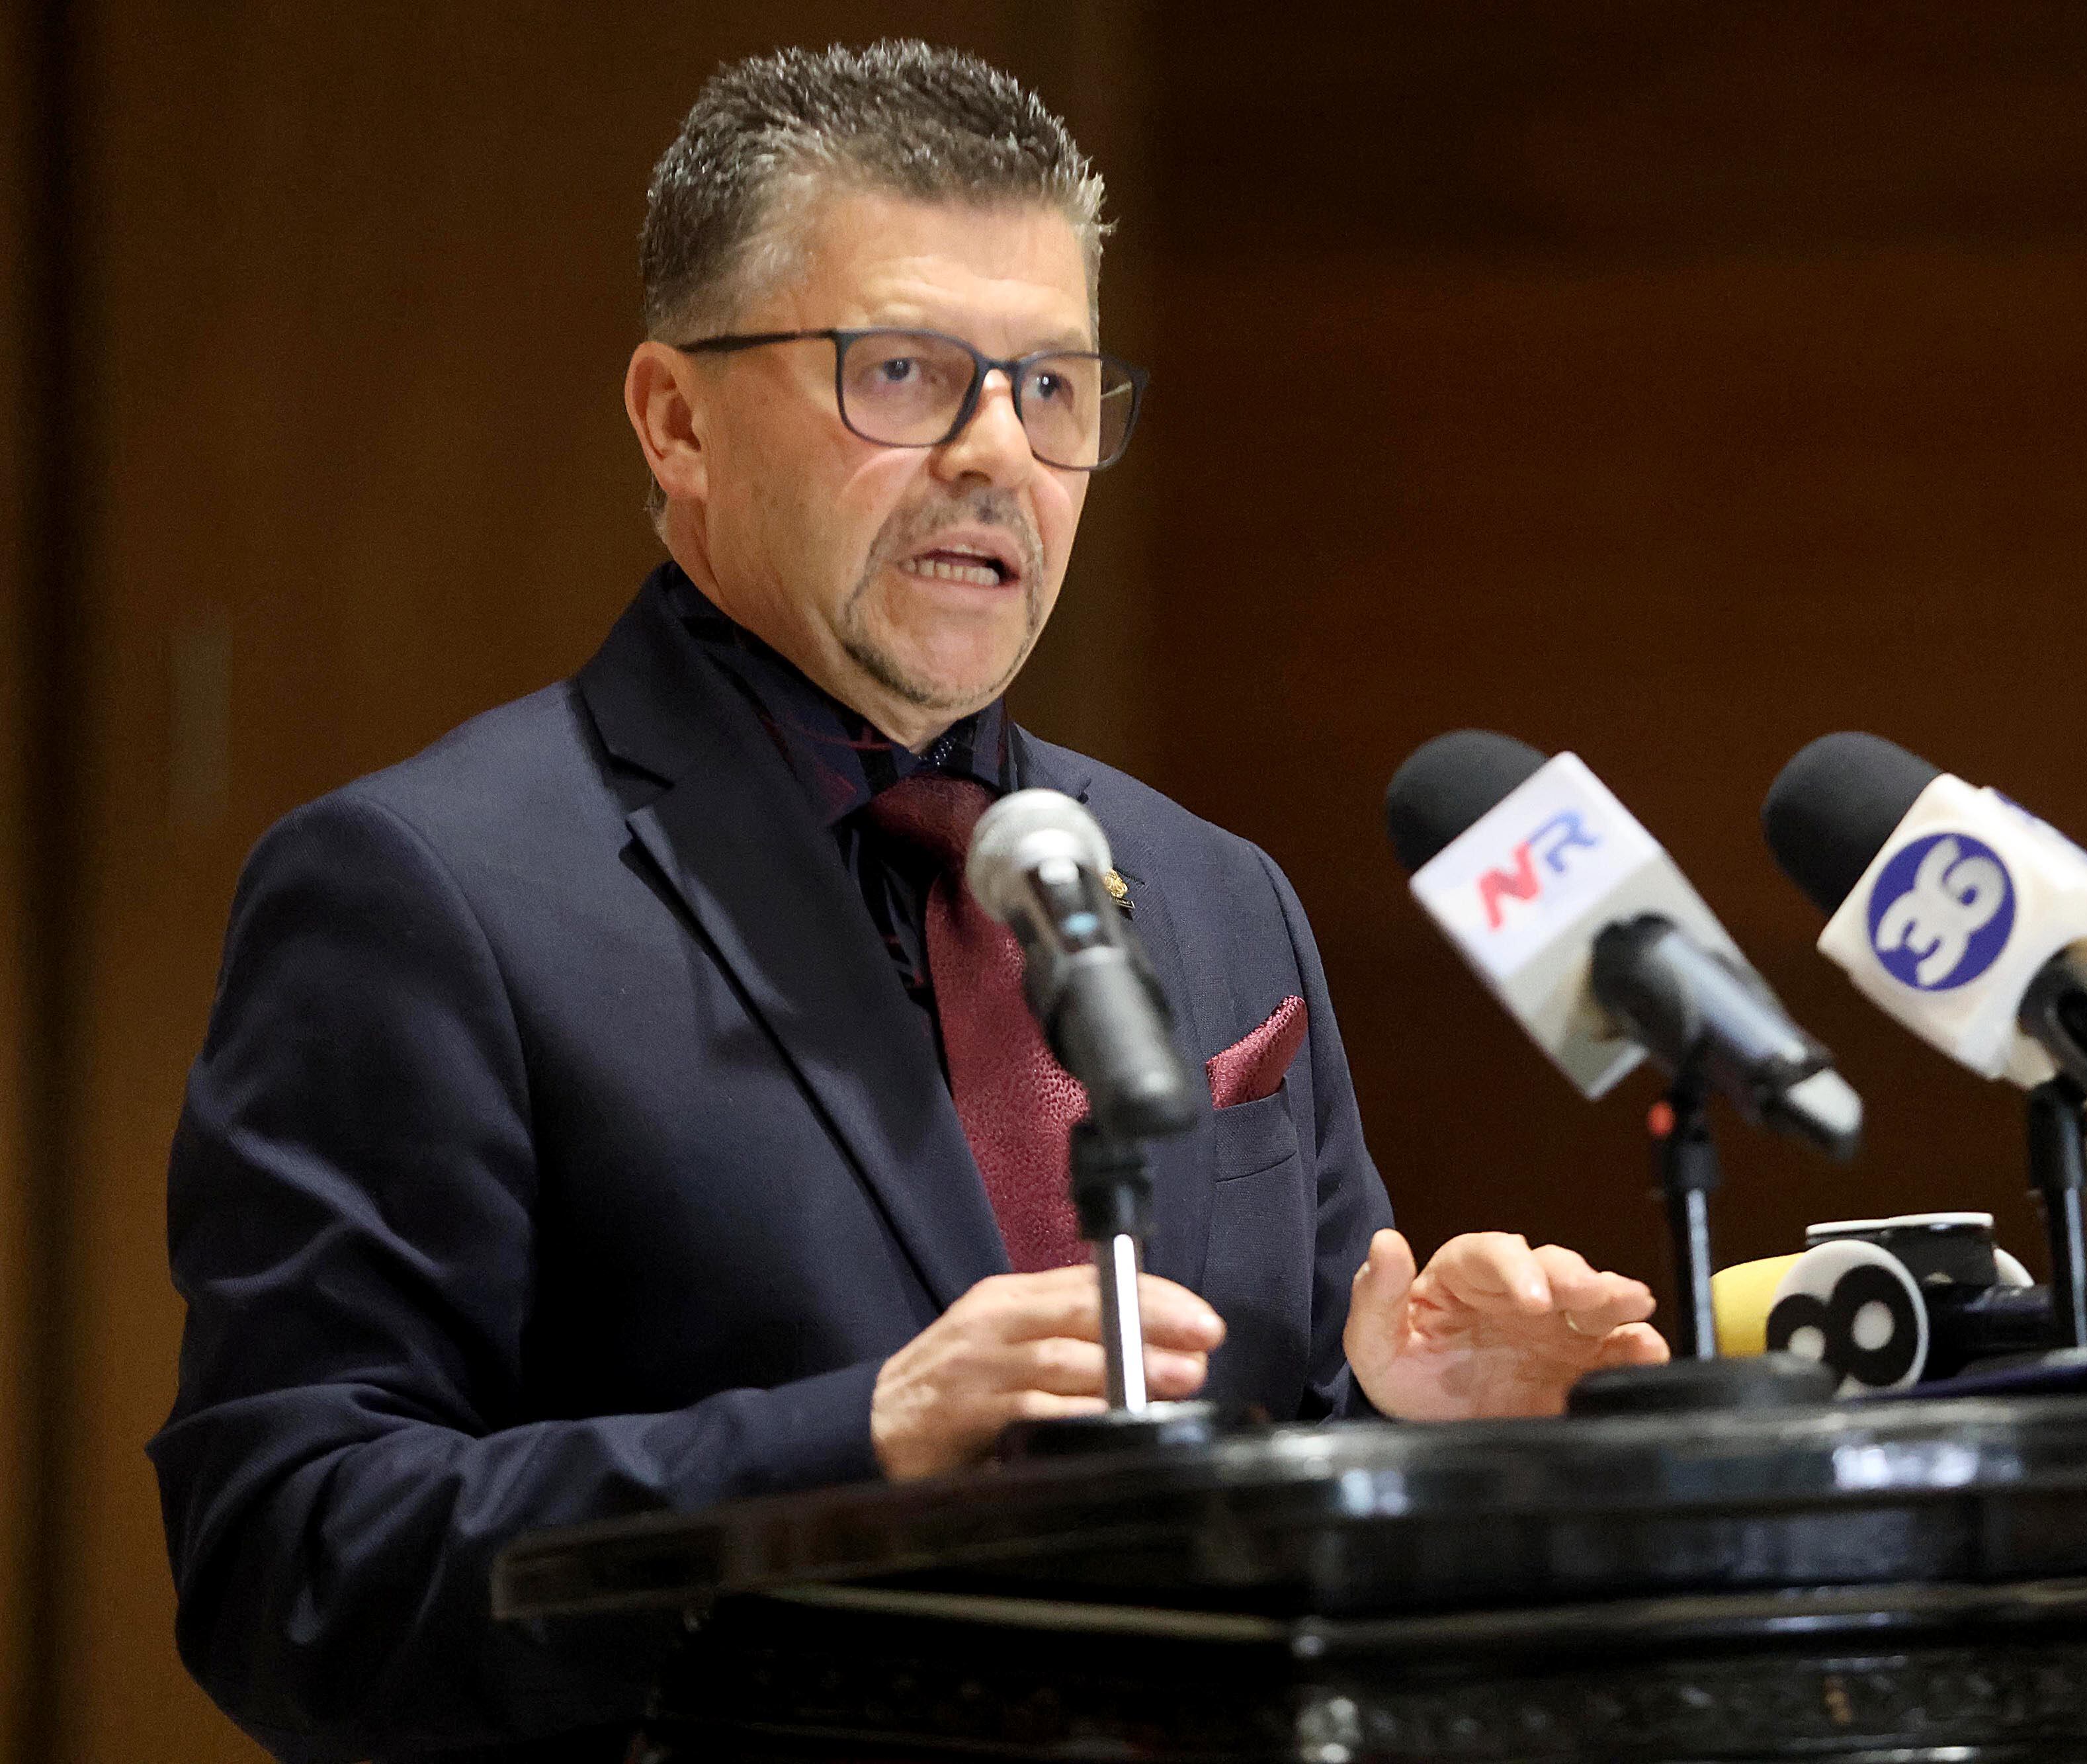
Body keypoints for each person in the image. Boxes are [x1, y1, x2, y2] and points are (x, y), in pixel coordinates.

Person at [149, 38, 1668, 1764]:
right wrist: (852, 1438)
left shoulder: (1212, 894)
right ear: (674, 416)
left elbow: (1238, 1486)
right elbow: (292, 1564)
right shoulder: (428, 894)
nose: (993, 454)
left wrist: (1408, 1424)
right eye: (902, 374)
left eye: (1052, 388)